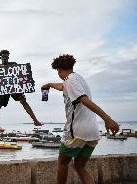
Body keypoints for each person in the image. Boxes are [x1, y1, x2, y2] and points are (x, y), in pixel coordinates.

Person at [41, 54, 119, 184]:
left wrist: (108, 119)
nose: (58, 74)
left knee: (62, 163)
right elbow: (63, 86)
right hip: (92, 132)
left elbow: (84, 100)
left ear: (59, 70)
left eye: (58, 71)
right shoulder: (78, 78)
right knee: (79, 166)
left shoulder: (69, 81)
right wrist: (49, 84)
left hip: (77, 132)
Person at [0, 49, 42, 139]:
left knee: (23, 101)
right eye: (3, 56)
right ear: (0, 57)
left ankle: (35, 120)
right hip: (3, 88)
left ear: (8, 57)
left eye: (6, 56)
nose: (5, 58)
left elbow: (23, 74)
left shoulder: (13, 65)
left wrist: (28, 79)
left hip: (14, 87)